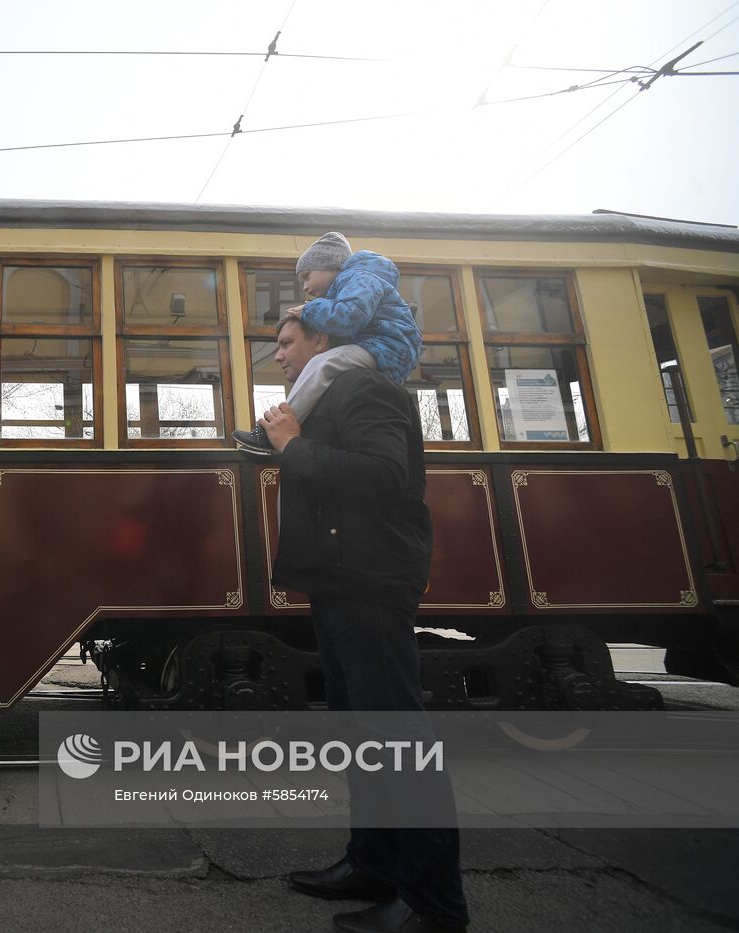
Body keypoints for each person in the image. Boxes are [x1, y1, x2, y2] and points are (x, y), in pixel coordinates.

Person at [259, 315, 469, 933]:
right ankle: (373, 865)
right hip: (342, 580)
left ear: (323, 342)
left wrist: (294, 446)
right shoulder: (330, 395)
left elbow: (383, 477)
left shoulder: (364, 388)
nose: (279, 358)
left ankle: (433, 906)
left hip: (370, 582)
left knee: (394, 736)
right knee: (362, 731)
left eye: (287, 344)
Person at [234, 231, 422, 456]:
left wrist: (309, 310)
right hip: (384, 345)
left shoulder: (359, 278)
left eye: (307, 276)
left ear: (329, 265)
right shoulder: (354, 282)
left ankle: (273, 429)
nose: (305, 286)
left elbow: (350, 317)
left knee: (323, 364)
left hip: (386, 344)